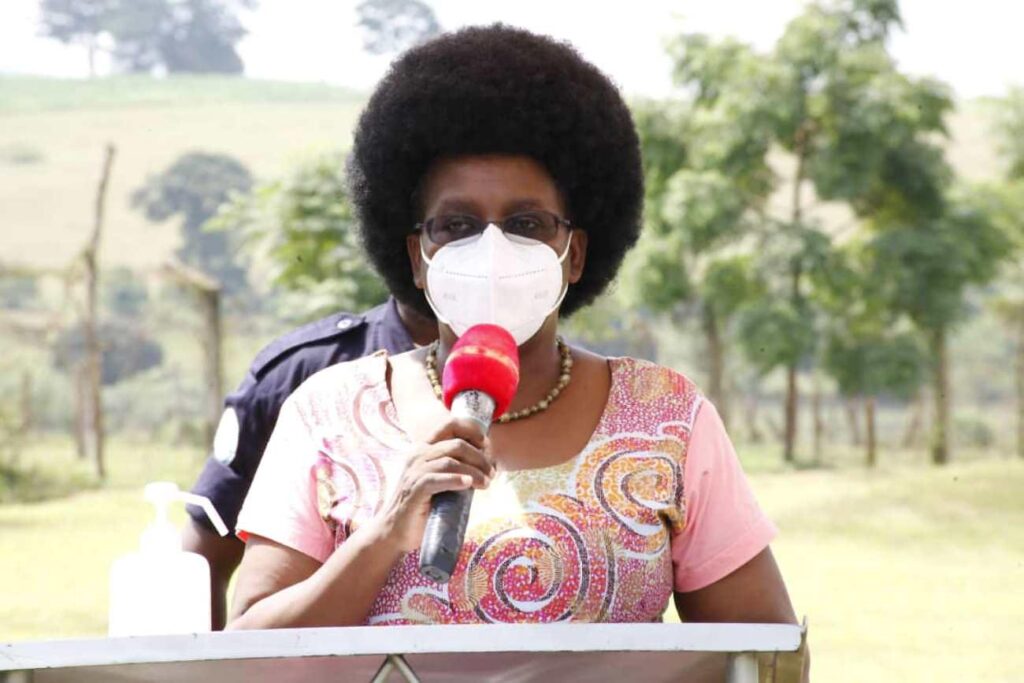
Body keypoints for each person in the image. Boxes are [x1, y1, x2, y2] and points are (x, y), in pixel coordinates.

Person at [227, 24, 802, 637]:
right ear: (419, 257)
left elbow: (765, 654)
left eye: (527, 223)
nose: (493, 248)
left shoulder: (667, 419)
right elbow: (250, 652)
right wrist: (386, 532)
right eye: (456, 225)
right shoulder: (330, 413)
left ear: (575, 253)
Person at [182, 297, 437, 629]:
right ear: (412, 252)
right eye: (452, 240)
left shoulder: (524, 380)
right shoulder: (305, 372)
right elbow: (207, 554)